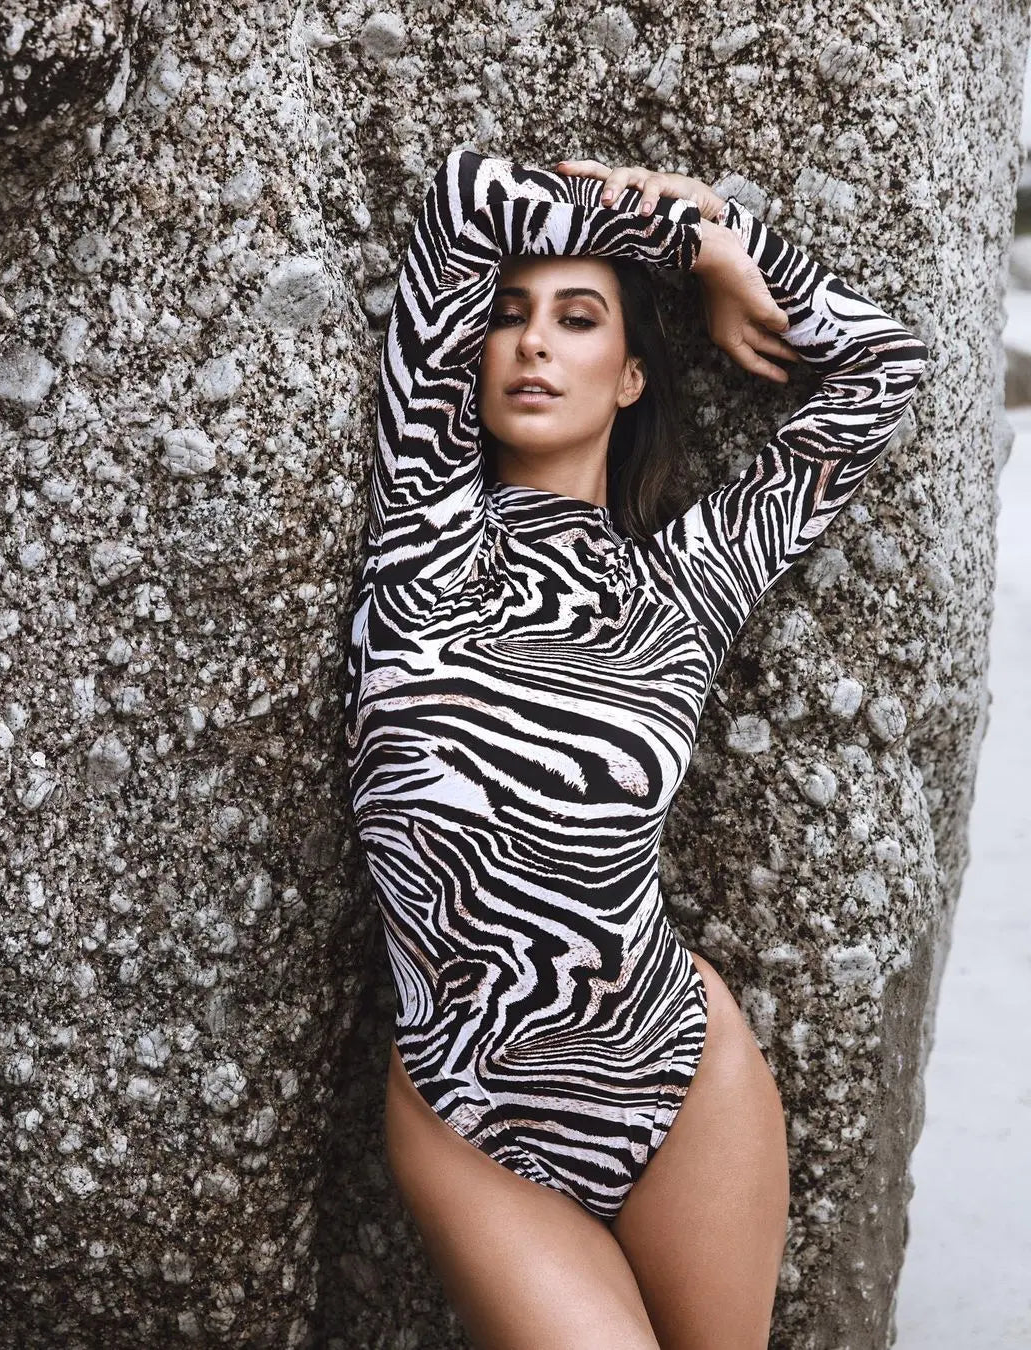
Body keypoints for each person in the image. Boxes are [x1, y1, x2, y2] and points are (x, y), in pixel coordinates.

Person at [342, 147, 929, 1349]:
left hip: (675, 1069)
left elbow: (887, 364)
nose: (533, 343)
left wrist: (734, 252)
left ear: (629, 377)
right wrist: (682, 236)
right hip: (467, 1102)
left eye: (578, 319)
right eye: (508, 314)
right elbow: (466, 196)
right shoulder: (425, 526)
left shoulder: (686, 588)